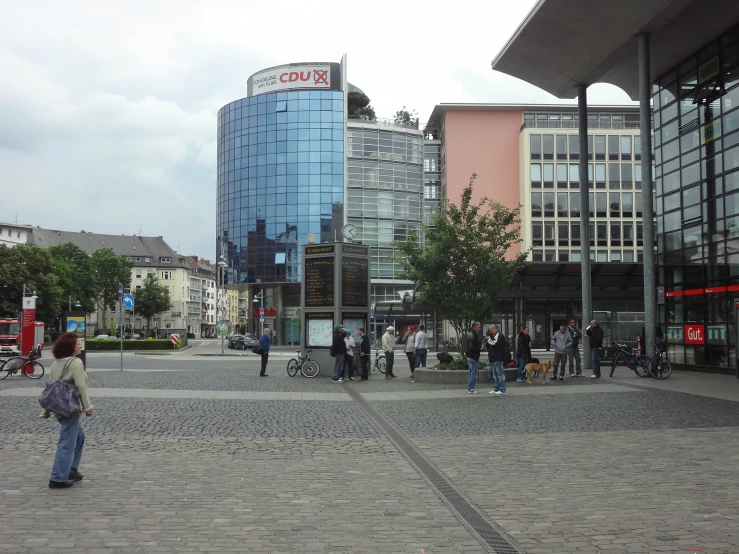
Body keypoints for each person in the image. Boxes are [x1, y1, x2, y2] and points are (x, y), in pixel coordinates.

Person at [42, 332, 93, 489]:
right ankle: (58, 478)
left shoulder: (56, 363)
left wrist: (47, 410)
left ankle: (70, 469)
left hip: (59, 406)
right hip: (70, 407)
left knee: (79, 437)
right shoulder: (76, 363)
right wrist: (87, 407)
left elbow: (52, 387)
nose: (80, 345)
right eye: (78, 343)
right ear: (71, 347)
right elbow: (80, 386)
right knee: (67, 442)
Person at [485, 324, 506, 395]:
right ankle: (496, 388)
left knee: (500, 373)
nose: (490, 332)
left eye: (491, 331)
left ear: (494, 329)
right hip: (493, 357)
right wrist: (488, 340)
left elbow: (496, 344)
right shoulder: (493, 336)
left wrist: (489, 340)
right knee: (495, 374)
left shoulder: (500, 335)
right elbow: (489, 346)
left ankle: (502, 389)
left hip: (498, 357)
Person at [466, 322, 483, 394]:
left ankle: (470, 388)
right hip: (473, 356)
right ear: (474, 327)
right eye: (478, 327)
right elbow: (471, 347)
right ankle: (470, 388)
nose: (479, 328)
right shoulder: (473, 336)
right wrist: (479, 349)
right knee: (473, 373)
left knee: (471, 373)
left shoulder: (471, 334)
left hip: (470, 356)